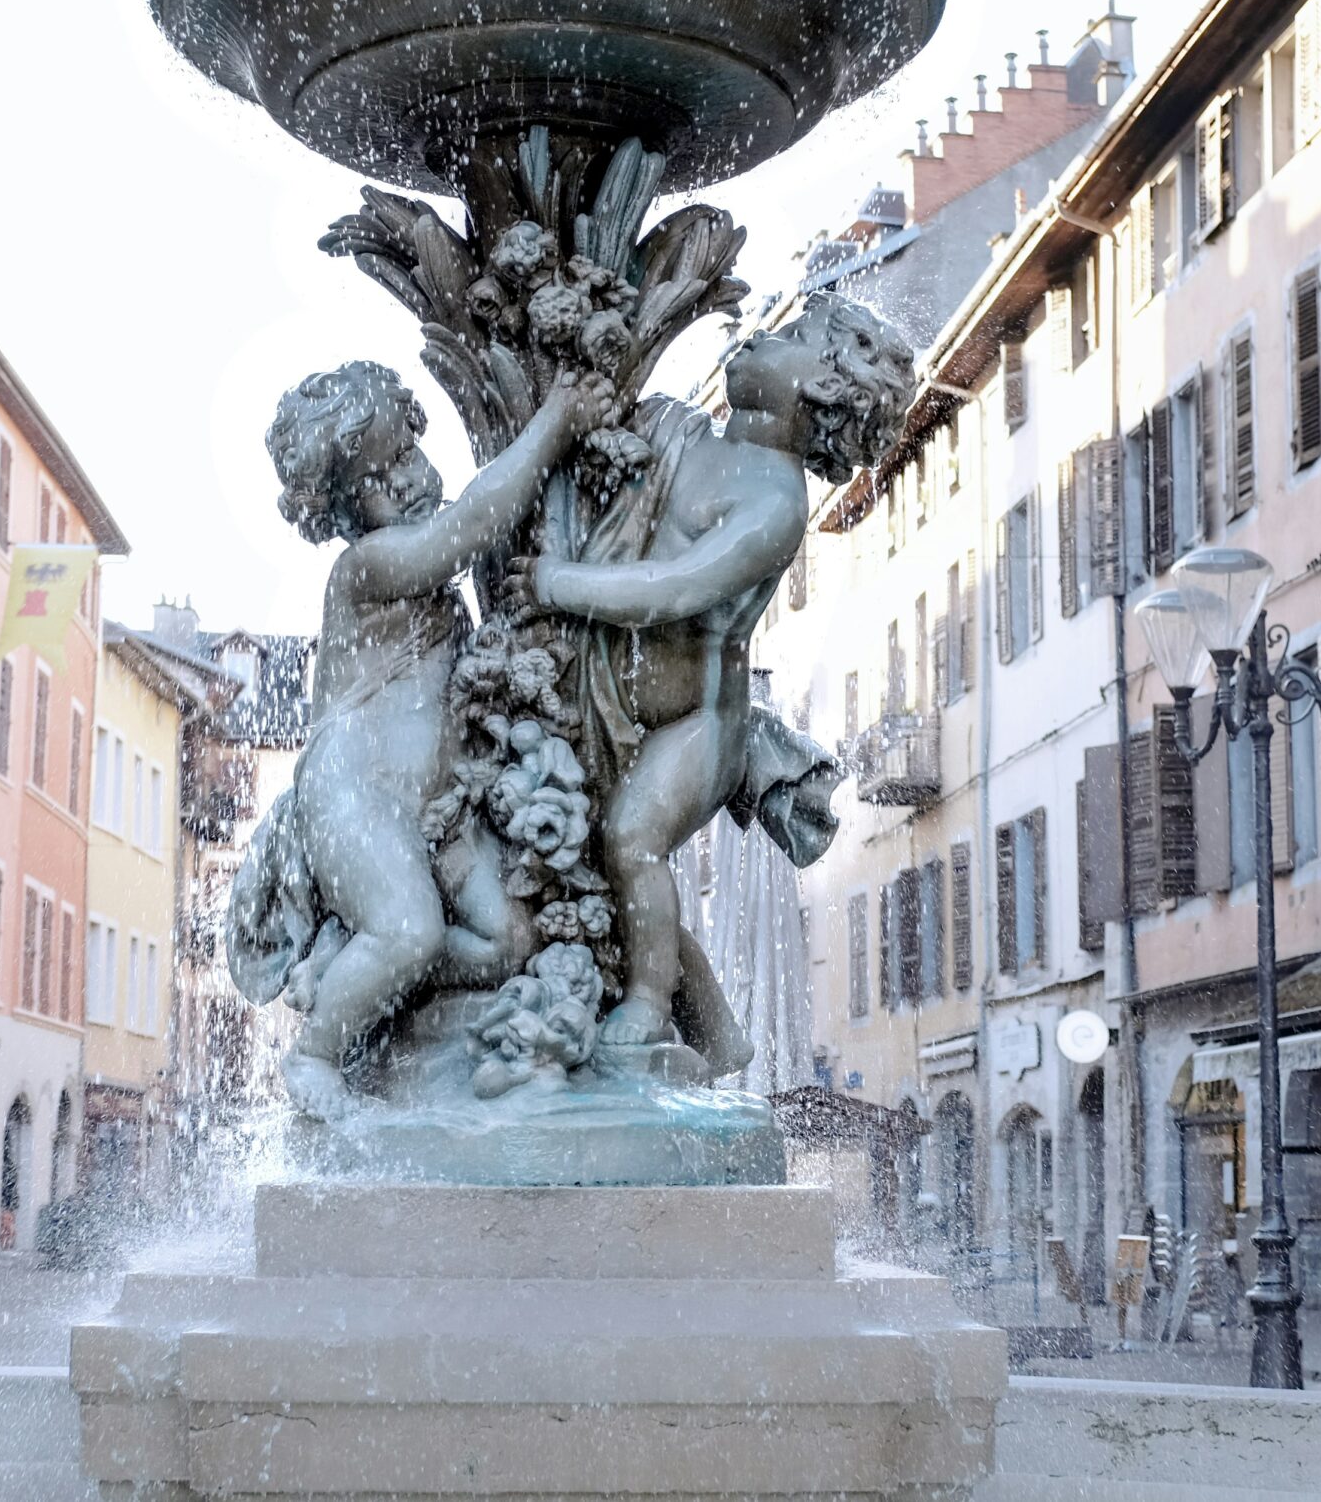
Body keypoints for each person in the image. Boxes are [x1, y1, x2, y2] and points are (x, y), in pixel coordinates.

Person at [527, 295, 913, 1045]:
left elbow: (671, 592)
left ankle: (645, 1004)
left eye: (794, 337)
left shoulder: (773, 501)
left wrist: (552, 582)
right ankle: (718, 1031)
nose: (763, 334)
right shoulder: (678, 427)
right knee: (606, 864)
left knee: (630, 841)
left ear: (824, 388)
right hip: (607, 696)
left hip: (701, 722)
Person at [258, 358, 614, 1118]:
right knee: (413, 930)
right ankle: (316, 1051)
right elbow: (471, 526)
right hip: (354, 792)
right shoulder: (367, 567)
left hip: (435, 808)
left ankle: (347, 962)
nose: (410, 479)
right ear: (341, 507)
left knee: (505, 942)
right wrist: (553, 422)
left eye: (410, 455)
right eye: (381, 476)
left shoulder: (424, 580)